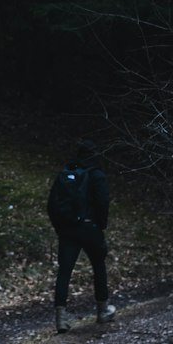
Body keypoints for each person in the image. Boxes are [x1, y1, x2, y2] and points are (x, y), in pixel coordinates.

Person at [48, 139, 116, 332]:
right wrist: (100, 225)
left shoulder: (66, 173)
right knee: (98, 265)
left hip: (67, 229)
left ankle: (60, 318)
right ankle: (102, 310)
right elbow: (102, 202)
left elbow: (52, 203)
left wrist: (60, 227)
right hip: (89, 228)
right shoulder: (96, 174)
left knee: (64, 272)